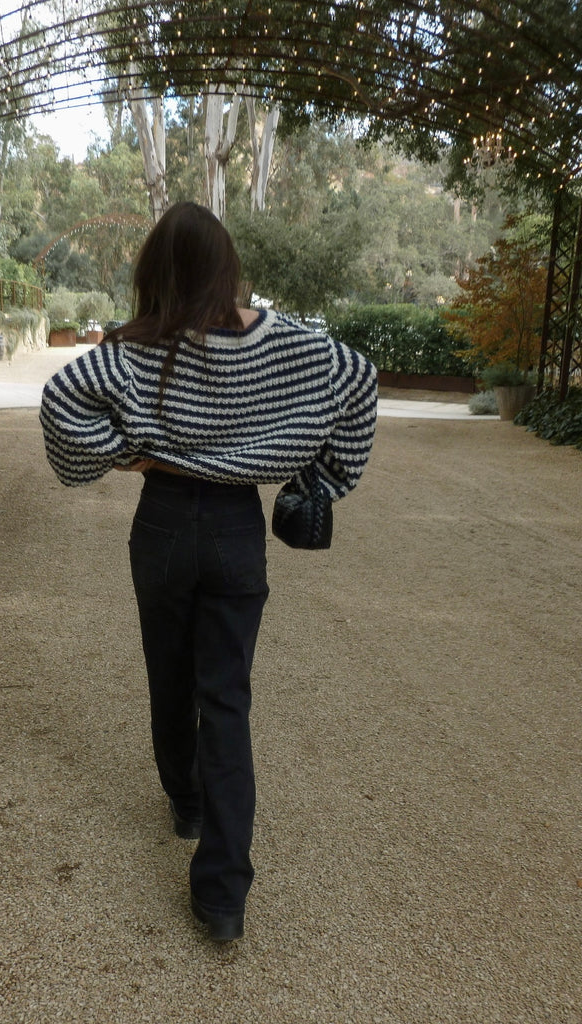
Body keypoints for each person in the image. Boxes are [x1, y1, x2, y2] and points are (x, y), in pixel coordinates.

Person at [40, 201, 377, 942]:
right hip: (234, 527)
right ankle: (222, 897)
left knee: (169, 673)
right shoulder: (291, 343)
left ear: (156, 272)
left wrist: (133, 455)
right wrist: (319, 480)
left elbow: (61, 399)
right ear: (227, 265)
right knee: (226, 699)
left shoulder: (140, 347)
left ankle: (185, 800)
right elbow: (360, 382)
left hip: (162, 521)